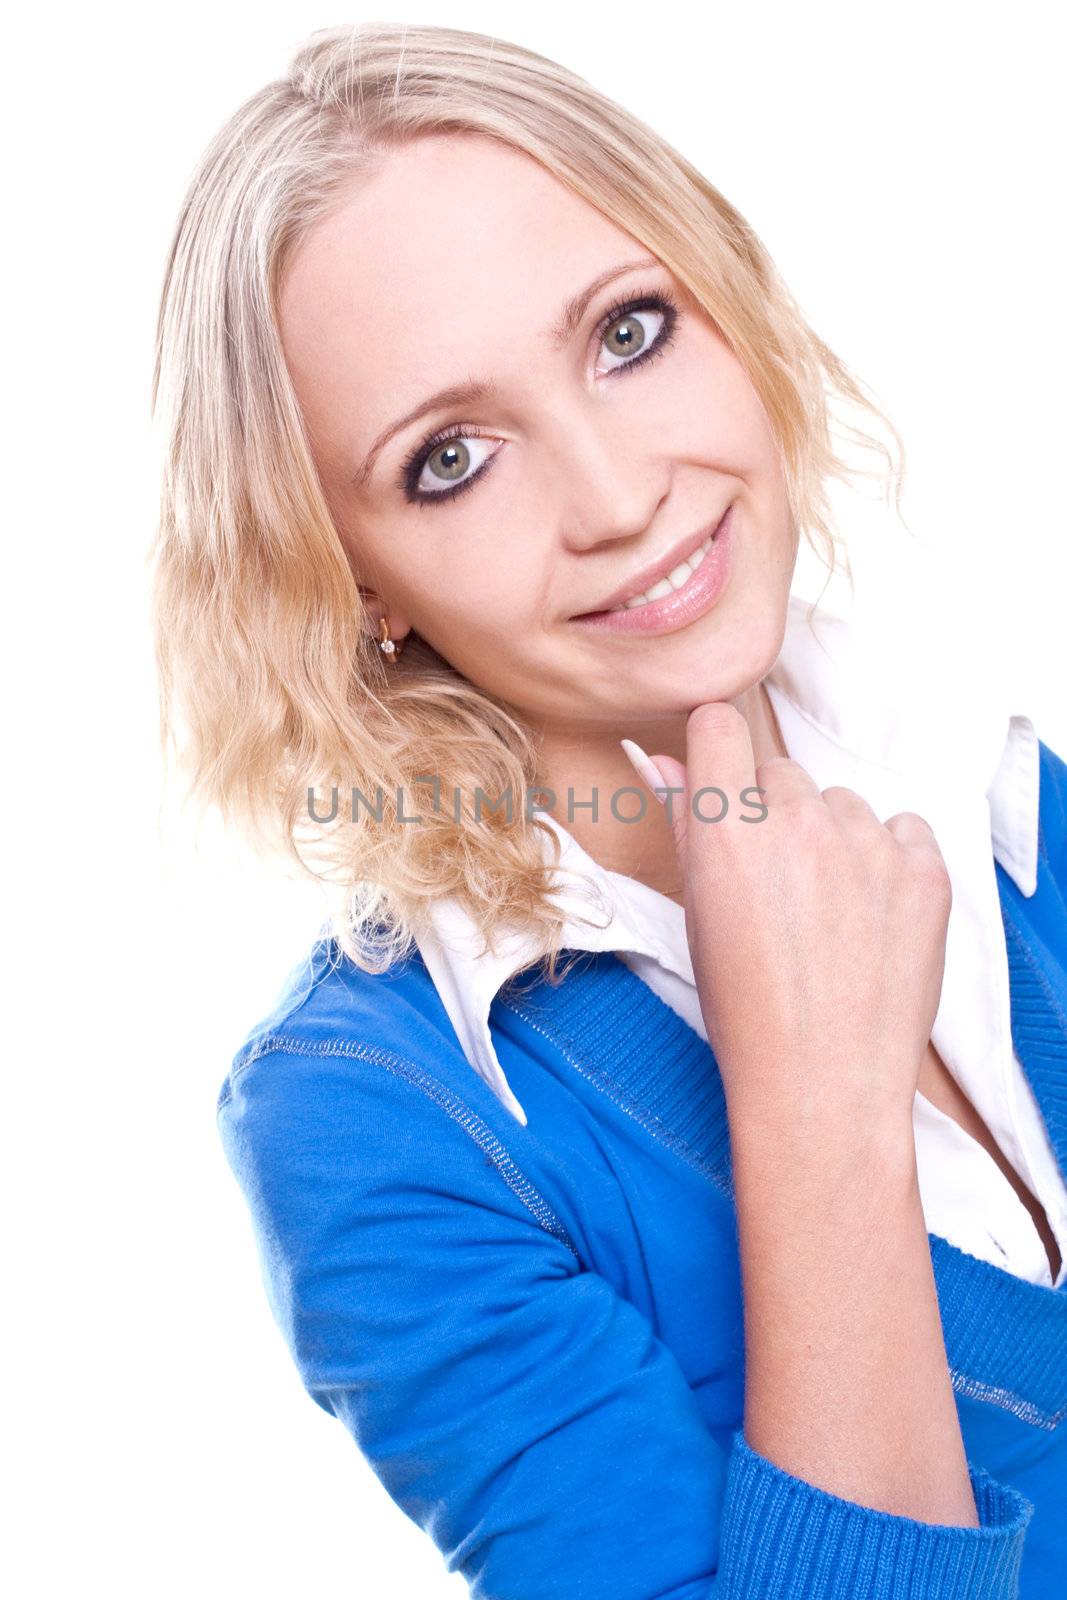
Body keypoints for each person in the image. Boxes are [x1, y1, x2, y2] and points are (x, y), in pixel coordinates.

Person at [150, 21, 1067, 1598]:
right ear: (351, 576)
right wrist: (814, 1121)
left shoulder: (989, 759)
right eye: (450, 458)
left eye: (630, 333)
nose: (620, 493)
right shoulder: (378, 1124)